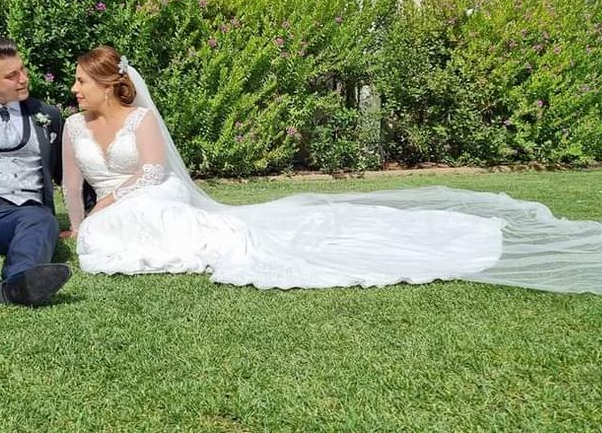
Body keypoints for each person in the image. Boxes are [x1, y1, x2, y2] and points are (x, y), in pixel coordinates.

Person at [62, 46, 602, 294]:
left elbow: (156, 173)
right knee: (105, 240)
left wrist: (107, 201)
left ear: (109, 84)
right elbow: (71, 182)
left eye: (82, 81)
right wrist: (81, 221)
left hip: (148, 195)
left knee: (163, 216)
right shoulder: (73, 126)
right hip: (111, 208)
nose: (75, 89)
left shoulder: (142, 121)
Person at [0, 34, 71, 305]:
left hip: (20, 214)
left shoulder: (47, 115)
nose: (23, 78)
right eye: (12, 75)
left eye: (22, 69)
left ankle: (16, 285)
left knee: (43, 220)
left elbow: (66, 173)